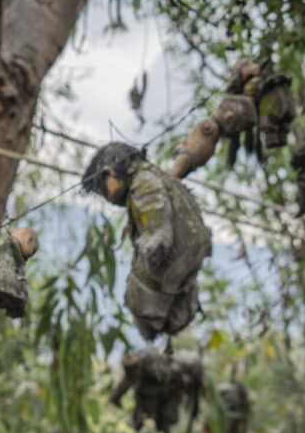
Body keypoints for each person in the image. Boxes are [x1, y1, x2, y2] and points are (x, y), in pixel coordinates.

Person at [81, 143, 211, 340]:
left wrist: (149, 255)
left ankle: (158, 324)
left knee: (138, 304)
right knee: (173, 314)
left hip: (170, 259)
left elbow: (159, 234)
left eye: (102, 189)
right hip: (190, 260)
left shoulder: (143, 183)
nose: (106, 198)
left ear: (110, 173)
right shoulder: (160, 177)